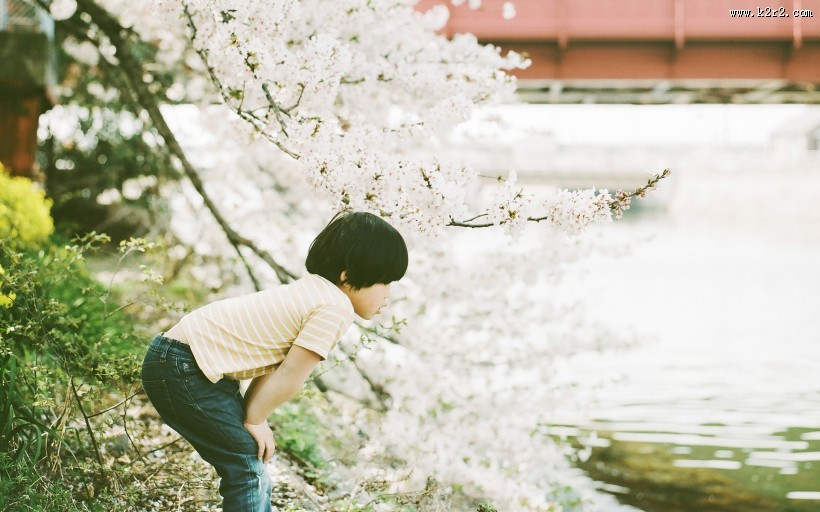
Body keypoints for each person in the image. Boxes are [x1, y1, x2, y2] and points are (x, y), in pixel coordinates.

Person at [140, 211, 408, 511]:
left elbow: (276, 365)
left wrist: (255, 418)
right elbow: (291, 374)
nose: (389, 295)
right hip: (185, 367)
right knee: (246, 466)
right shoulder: (335, 308)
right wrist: (254, 420)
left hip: (180, 360)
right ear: (347, 276)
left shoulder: (312, 290)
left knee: (251, 462)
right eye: (385, 282)